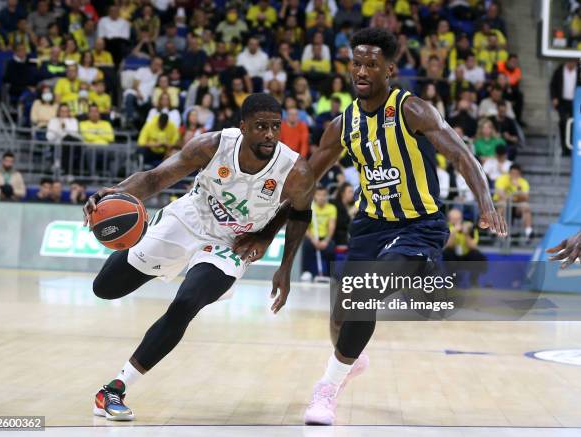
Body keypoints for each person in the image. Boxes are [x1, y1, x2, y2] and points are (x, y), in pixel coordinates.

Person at [273, 28, 506, 425]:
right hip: (370, 225)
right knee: (343, 313)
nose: (362, 71)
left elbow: (462, 154)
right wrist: (269, 224)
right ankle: (350, 357)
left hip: (419, 225)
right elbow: (306, 179)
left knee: (365, 292)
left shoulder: (412, 110)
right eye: (356, 63)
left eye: (371, 64)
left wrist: (484, 199)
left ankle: (326, 389)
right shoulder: (342, 124)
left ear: (390, 69)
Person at [83, 93, 315, 421]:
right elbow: (155, 178)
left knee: (186, 304)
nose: (269, 134)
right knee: (105, 288)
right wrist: (116, 193)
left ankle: (114, 388)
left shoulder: (295, 170)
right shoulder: (210, 145)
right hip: (188, 218)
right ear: (243, 127)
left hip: (233, 242)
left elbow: (301, 211)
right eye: (261, 126)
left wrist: (278, 256)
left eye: (275, 127)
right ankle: (149, 254)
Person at [301, 185, 336, 281]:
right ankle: (306, 272)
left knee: (331, 248)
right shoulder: (309, 207)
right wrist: (313, 240)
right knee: (306, 245)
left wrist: (326, 240)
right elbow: (305, 228)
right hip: (312, 238)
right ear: (315, 196)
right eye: (319, 195)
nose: (321, 197)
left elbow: (331, 226)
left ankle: (330, 274)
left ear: (327, 196)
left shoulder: (331, 208)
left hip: (325, 238)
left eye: (324, 195)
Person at [443, 208, 487, 285]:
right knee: (447, 254)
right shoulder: (445, 228)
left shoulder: (469, 226)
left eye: (458, 219)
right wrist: (454, 232)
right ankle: (452, 280)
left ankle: (473, 280)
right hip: (453, 256)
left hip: (466, 255)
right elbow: (448, 246)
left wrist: (466, 233)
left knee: (478, 256)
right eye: (454, 219)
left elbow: (473, 246)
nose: (456, 221)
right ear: (449, 219)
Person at [494, 164, 532, 244]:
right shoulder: (502, 179)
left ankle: (528, 233)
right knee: (502, 204)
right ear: (509, 173)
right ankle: (499, 231)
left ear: (520, 174)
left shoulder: (523, 182)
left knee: (526, 206)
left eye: (516, 174)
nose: (514, 175)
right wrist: (513, 196)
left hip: (516, 205)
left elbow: (526, 198)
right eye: (512, 173)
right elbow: (501, 195)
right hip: (503, 204)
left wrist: (519, 188)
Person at [550, 60, 578, 156]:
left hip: (576, 102)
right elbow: (552, 85)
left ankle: (573, 146)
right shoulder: (559, 71)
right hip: (562, 102)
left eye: (573, 63)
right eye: (570, 62)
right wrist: (554, 98)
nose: (572, 65)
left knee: (574, 123)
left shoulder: (579, 71)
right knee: (563, 122)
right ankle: (565, 147)